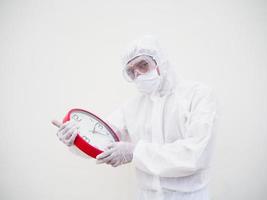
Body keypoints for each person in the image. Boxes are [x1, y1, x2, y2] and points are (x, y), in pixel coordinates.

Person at [53, 35, 217, 200]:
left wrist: (136, 152)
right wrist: (75, 139)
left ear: (160, 62)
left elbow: (196, 155)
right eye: (131, 71)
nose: (137, 73)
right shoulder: (132, 107)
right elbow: (102, 140)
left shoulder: (197, 95)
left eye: (143, 65)